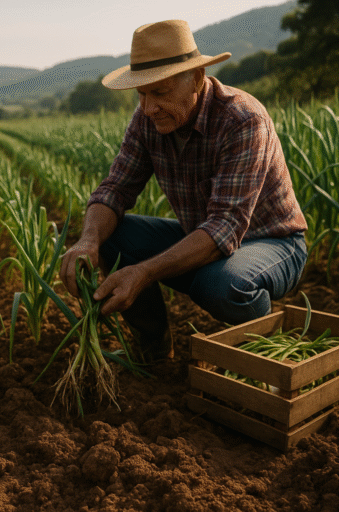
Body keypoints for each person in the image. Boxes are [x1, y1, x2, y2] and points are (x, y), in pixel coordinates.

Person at [59, 20, 308, 362]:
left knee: (221, 284)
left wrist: (144, 272)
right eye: (142, 94)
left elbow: (225, 227)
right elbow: (114, 189)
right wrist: (88, 240)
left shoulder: (242, 120)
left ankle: (268, 348)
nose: (148, 107)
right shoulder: (147, 120)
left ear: (197, 78)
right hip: (204, 237)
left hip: (273, 242)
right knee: (111, 237)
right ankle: (154, 352)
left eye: (160, 93)